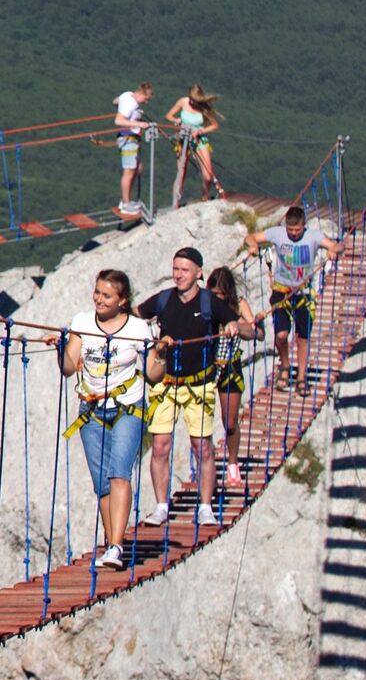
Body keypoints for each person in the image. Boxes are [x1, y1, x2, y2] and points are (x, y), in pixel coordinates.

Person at [56, 269, 170, 571]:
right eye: (97, 292)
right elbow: (69, 368)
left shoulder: (137, 329)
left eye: (107, 295)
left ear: (122, 300)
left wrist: (161, 353)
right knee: (102, 486)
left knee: (120, 474)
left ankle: (117, 546)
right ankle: (111, 546)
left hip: (127, 408)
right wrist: (60, 347)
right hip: (91, 412)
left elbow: (153, 375)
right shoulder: (82, 323)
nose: (99, 299)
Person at [135, 247, 242, 527]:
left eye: (184, 270)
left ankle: (205, 506)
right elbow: (136, 314)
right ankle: (161, 506)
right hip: (167, 384)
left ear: (198, 273)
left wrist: (231, 326)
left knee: (202, 447)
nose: (178, 275)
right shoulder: (164, 299)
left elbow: (232, 318)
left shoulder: (209, 302)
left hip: (199, 386)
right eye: (175, 269)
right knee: (160, 447)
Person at [244, 204, 343, 397]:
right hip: (281, 291)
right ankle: (285, 366)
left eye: (297, 230)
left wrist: (333, 250)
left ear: (304, 226)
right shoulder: (278, 233)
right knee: (281, 335)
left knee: (302, 338)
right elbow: (252, 237)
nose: (294, 234)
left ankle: (301, 378)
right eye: (291, 230)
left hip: (303, 294)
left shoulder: (313, 236)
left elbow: (338, 245)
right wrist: (253, 245)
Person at [205, 266, 263, 490]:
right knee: (203, 423)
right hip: (208, 367)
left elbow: (257, 333)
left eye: (219, 296)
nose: (215, 300)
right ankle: (207, 465)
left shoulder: (238, 305)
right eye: (213, 295)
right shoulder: (203, 304)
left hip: (230, 366)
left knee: (229, 422)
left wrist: (238, 325)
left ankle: (232, 463)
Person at [164, 84, 226, 203]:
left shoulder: (204, 107)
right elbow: (169, 115)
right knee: (181, 173)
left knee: (208, 175)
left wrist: (201, 130)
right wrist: (177, 120)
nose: (193, 103)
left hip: (199, 139)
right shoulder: (183, 102)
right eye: (192, 100)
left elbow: (214, 125)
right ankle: (175, 202)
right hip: (183, 139)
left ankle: (205, 196)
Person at [113, 82, 155, 217]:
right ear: (141, 94)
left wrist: (135, 112)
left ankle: (126, 200)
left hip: (129, 138)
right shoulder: (131, 103)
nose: (146, 102)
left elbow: (115, 101)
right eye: (146, 99)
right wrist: (138, 123)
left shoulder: (127, 95)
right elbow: (118, 120)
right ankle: (125, 204)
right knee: (129, 170)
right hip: (128, 138)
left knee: (137, 168)